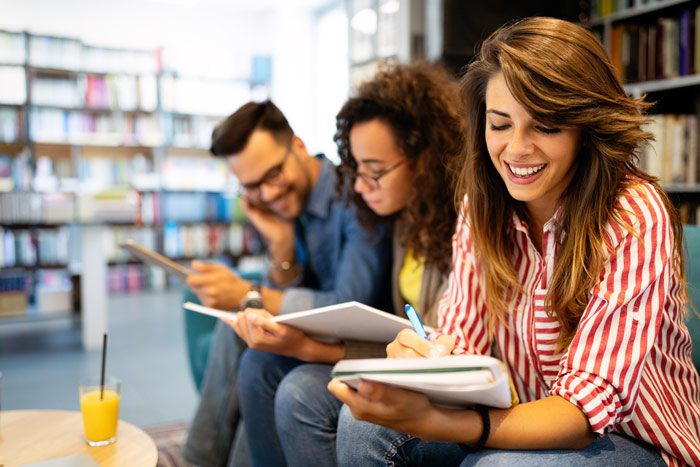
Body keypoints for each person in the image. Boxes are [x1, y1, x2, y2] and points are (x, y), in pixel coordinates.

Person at [329, 17, 700, 467]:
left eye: (545, 126)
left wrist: (450, 424)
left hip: (632, 439)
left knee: (500, 466)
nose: (516, 149)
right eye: (500, 124)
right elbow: (461, 338)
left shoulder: (634, 214)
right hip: (518, 412)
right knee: (360, 424)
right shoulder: (482, 204)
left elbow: (581, 412)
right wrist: (427, 359)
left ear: (587, 129)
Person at [231, 61, 466, 466]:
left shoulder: (463, 224)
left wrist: (305, 344)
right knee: (260, 357)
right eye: (357, 170)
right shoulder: (403, 217)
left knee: (299, 393)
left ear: (425, 159)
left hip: (445, 379)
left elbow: (441, 352)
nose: (359, 185)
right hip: (407, 363)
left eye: (374, 172)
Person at [182, 100, 392, 467]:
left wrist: (250, 295)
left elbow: (350, 302)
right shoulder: (290, 208)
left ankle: (197, 460)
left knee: (255, 350)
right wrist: (280, 246)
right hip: (323, 335)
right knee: (241, 329)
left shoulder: (354, 195)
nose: (268, 194)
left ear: (297, 145)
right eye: (252, 187)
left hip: (364, 340)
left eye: (272, 175)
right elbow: (284, 291)